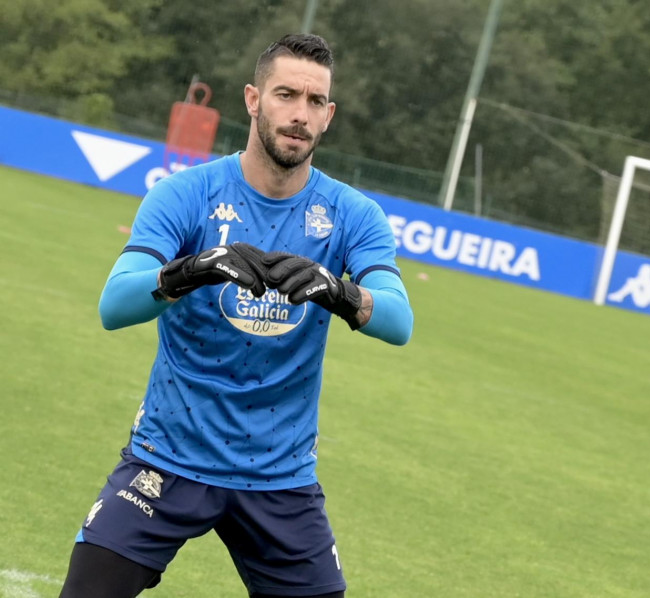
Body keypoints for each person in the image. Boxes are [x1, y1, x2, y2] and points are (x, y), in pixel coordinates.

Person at [58, 33, 413, 598]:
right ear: (253, 99)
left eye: (315, 102)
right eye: (285, 95)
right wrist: (189, 271)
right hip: (167, 460)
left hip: (280, 479)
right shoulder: (186, 195)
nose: (299, 115)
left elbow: (399, 321)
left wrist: (339, 292)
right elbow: (114, 304)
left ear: (329, 116)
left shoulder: (352, 214)